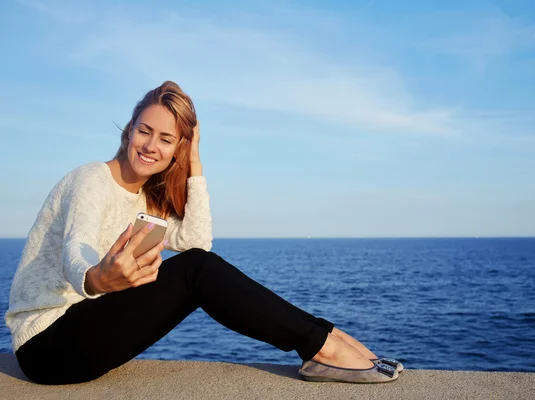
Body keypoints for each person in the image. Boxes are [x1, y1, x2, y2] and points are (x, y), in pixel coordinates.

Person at [5, 81, 402, 385]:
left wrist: (195, 162)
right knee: (196, 270)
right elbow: (78, 245)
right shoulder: (92, 179)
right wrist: (95, 277)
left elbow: (196, 242)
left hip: (85, 333)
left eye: (166, 139)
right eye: (144, 131)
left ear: (177, 148)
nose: (150, 146)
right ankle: (323, 345)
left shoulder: (145, 198)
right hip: (47, 345)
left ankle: (325, 336)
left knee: (198, 265)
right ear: (128, 131)